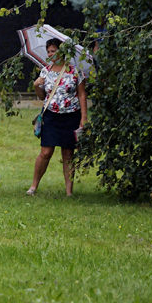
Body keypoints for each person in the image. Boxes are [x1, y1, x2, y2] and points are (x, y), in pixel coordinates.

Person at [27, 38, 87, 197]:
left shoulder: (75, 71)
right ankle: (33, 186)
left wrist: (84, 117)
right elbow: (41, 96)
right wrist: (36, 85)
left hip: (70, 116)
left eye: (53, 51)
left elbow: (82, 94)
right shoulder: (45, 71)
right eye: (48, 52)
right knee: (46, 152)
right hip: (51, 116)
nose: (50, 54)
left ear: (62, 52)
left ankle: (69, 192)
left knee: (68, 154)